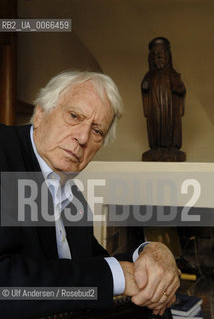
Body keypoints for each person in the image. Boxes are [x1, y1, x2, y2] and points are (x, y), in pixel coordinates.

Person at [0, 71, 180, 319]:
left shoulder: (74, 200)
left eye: (97, 131)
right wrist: (113, 278)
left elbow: (92, 265)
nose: (83, 138)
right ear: (41, 113)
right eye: (74, 116)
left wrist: (153, 255)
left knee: (154, 306)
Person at [141, 37, 186, 161]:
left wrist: (179, 88)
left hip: (170, 107)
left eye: (162, 53)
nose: (159, 57)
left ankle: (171, 147)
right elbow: (144, 88)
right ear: (151, 58)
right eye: (156, 54)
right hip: (155, 107)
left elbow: (181, 90)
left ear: (168, 56)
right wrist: (145, 86)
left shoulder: (173, 73)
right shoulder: (149, 75)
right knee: (156, 122)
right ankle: (156, 147)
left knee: (170, 123)